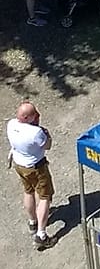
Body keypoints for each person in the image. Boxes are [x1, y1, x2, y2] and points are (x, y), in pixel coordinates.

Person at [7, 101, 54, 249]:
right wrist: (46, 133)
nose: (37, 115)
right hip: (36, 167)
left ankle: (32, 221)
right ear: (28, 117)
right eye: (34, 114)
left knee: (28, 192)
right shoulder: (36, 133)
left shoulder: (11, 124)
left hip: (19, 164)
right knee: (45, 197)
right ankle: (41, 234)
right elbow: (47, 145)